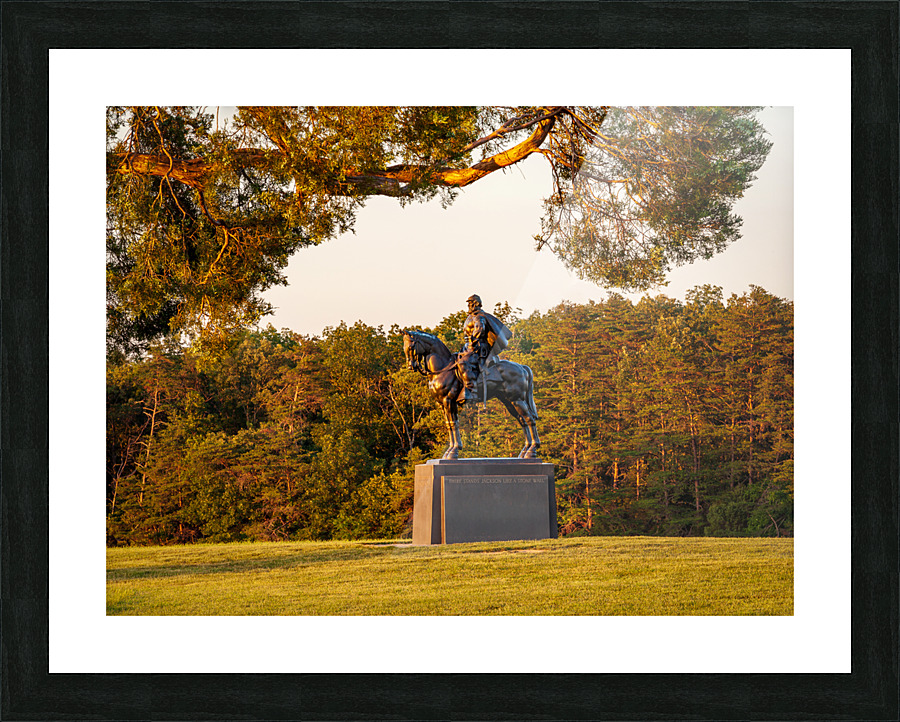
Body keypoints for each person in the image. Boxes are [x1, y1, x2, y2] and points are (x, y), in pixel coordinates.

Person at [457, 294, 512, 404]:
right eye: (468, 304)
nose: (468, 306)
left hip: (479, 347)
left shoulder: (479, 317)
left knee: (463, 362)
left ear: (475, 304)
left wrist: (473, 340)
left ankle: (472, 391)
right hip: (468, 347)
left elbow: (479, 329)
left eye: (470, 303)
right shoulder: (470, 317)